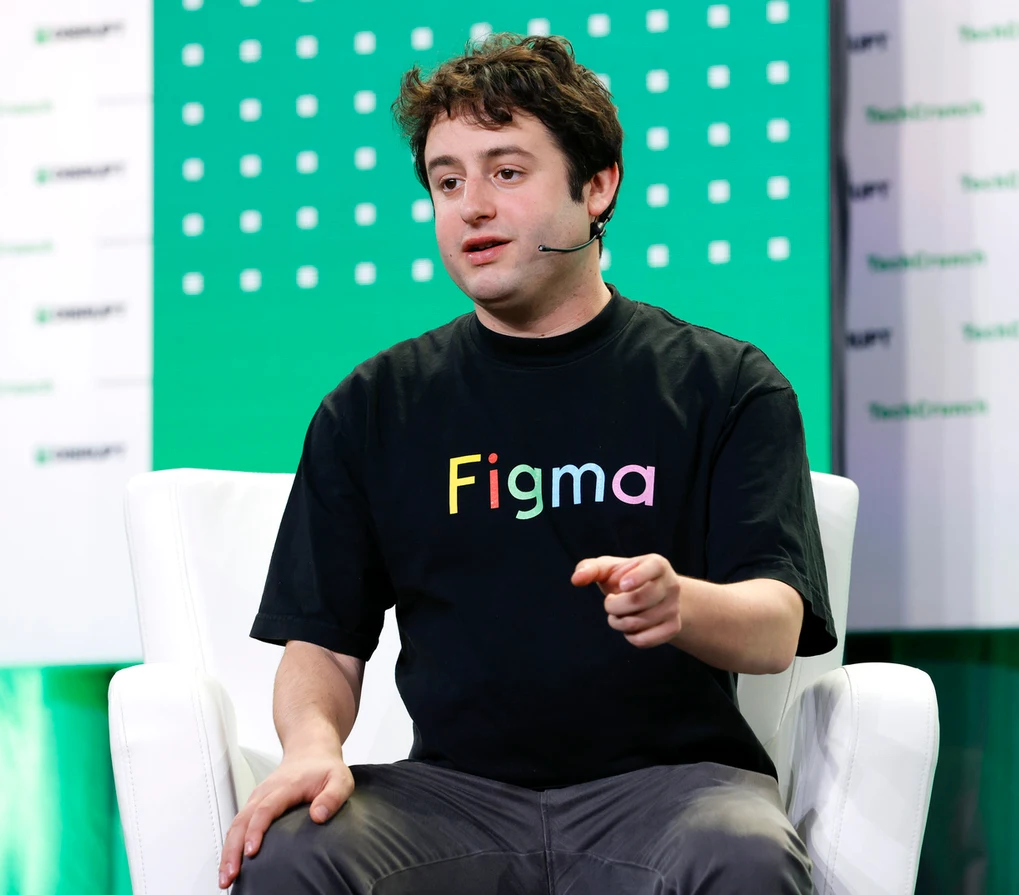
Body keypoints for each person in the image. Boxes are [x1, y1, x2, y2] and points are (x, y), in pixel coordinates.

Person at [219, 32, 835, 895]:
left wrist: (681, 604)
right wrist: (313, 745)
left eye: (506, 172)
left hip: (670, 795)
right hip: (448, 802)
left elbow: (775, 627)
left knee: (746, 854)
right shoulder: (372, 406)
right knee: (289, 852)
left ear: (598, 185)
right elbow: (322, 645)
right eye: (447, 182)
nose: (471, 206)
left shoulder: (727, 385)